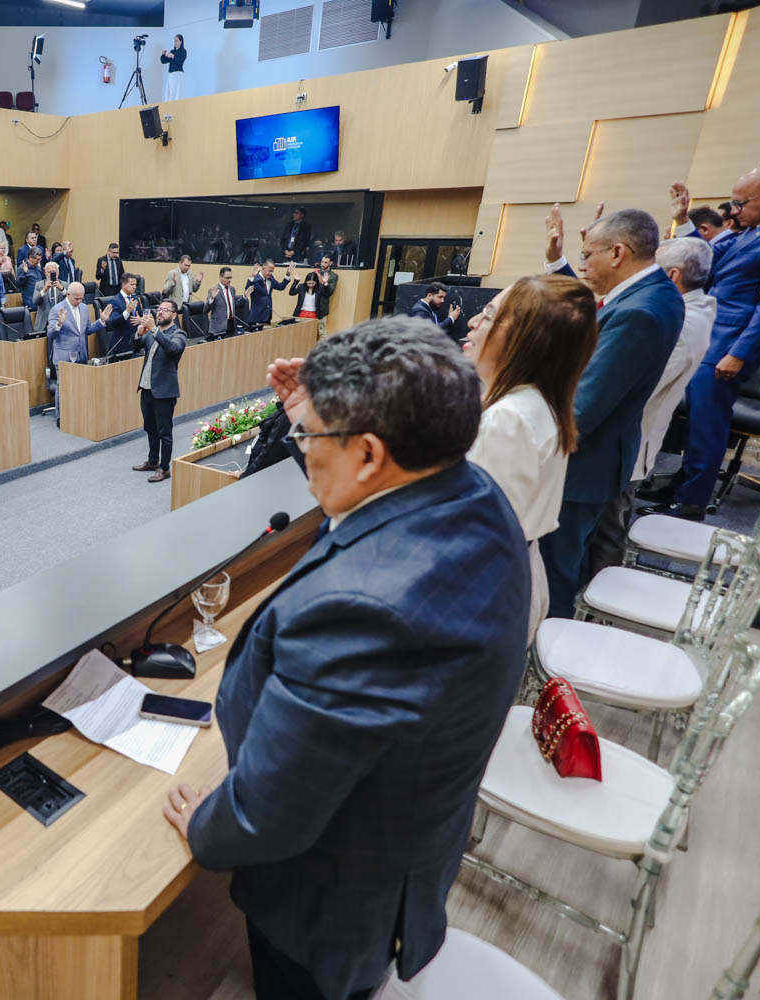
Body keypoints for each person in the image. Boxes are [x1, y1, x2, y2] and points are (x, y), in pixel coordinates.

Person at [162, 318, 528, 1000]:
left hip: (329, 900)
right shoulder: (470, 491)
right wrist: (313, 413)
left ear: (368, 454)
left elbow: (269, 814)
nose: (302, 450)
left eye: (310, 438)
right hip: (399, 841)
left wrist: (208, 829)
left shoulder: (364, 609)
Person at [648, 169, 760, 519]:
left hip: (729, 344)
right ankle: (681, 486)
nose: (735, 210)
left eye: (742, 202)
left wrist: (739, 353)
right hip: (711, 335)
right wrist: (682, 221)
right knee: (695, 421)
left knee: (707, 425)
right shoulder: (756, 228)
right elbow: (707, 258)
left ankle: (692, 502)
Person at [540, 205, 684, 617]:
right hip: (604, 456)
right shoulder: (653, 292)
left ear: (618, 253)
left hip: (583, 465)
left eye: (587, 255)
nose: (584, 263)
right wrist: (560, 263)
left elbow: (583, 409)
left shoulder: (638, 312)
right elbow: (596, 314)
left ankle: (547, 644)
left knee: (554, 570)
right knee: (569, 559)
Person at [464, 275, 597, 638]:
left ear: (525, 339)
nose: (473, 322)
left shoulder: (508, 418)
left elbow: (477, 532)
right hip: (512, 570)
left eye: (488, 314)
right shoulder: (536, 401)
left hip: (484, 585)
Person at [586, 237, 716, 572]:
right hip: (629, 438)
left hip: (626, 442)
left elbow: (634, 389)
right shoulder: (694, 309)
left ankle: (599, 596)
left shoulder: (677, 322)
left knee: (606, 533)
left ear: (672, 276)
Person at [131, 300, 187, 482]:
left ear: (174, 315)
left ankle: (164, 468)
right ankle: (153, 461)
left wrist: (154, 329)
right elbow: (136, 345)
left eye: (165, 310)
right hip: (147, 389)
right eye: (159, 309)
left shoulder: (179, 334)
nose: (160, 312)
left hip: (164, 391)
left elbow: (173, 348)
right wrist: (139, 333)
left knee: (164, 432)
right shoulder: (152, 333)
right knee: (150, 428)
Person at [46, 283, 109, 422]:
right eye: (76, 298)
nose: (79, 301)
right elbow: (50, 335)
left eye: (81, 298)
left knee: (81, 386)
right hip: (64, 357)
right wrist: (59, 324)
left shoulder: (84, 308)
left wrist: (101, 321)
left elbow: (87, 330)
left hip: (81, 354)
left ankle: (78, 414)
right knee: (63, 387)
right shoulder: (57, 309)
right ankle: (61, 417)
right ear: (68, 294)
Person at [104, 273, 144, 355]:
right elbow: (114, 322)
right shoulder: (115, 301)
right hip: (122, 345)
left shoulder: (135, 298)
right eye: (132, 284)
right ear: (123, 284)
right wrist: (127, 311)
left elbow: (140, 316)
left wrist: (140, 320)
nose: (134, 287)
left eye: (135, 284)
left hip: (136, 344)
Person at [289, 268, 332, 339]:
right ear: (306, 281)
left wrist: (325, 283)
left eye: (313, 283)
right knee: (300, 334)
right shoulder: (301, 287)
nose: (311, 285)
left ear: (316, 282)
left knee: (312, 334)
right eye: (309, 283)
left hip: (314, 314)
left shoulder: (320, 288)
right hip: (301, 314)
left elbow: (327, 294)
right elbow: (291, 293)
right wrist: (295, 281)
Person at [246, 260, 287, 328]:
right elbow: (247, 289)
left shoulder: (271, 278)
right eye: (269, 271)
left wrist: (287, 275)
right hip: (256, 316)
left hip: (267, 316)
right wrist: (252, 277)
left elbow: (280, 287)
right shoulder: (255, 278)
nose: (270, 273)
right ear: (263, 268)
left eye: (272, 271)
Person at [31, 261, 67, 333]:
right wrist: (45, 289)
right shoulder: (39, 285)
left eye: (54, 272)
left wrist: (62, 289)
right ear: (45, 273)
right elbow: (35, 301)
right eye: (49, 272)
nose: (51, 274)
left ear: (58, 272)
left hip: (61, 321)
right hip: (44, 323)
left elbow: (71, 300)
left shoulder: (65, 285)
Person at [205, 267, 240, 339]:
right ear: (220, 277)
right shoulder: (213, 290)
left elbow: (233, 306)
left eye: (231, 277)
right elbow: (205, 310)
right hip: (218, 328)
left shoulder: (232, 289)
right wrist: (212, 298)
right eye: (227, 278)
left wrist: (245, 297)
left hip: (231, 325)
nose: (229, 280)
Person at [160, 34, 186, 101]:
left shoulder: (183, 51)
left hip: (178, 75)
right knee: (170, 94)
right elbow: (163, 61)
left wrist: (173, 56)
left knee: (177, 94)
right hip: (171, 76)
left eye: (176, 41)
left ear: (181, 42)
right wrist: (163, 54)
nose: (175, 42)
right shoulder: (172, 51)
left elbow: (180, 62)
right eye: (174, 41)